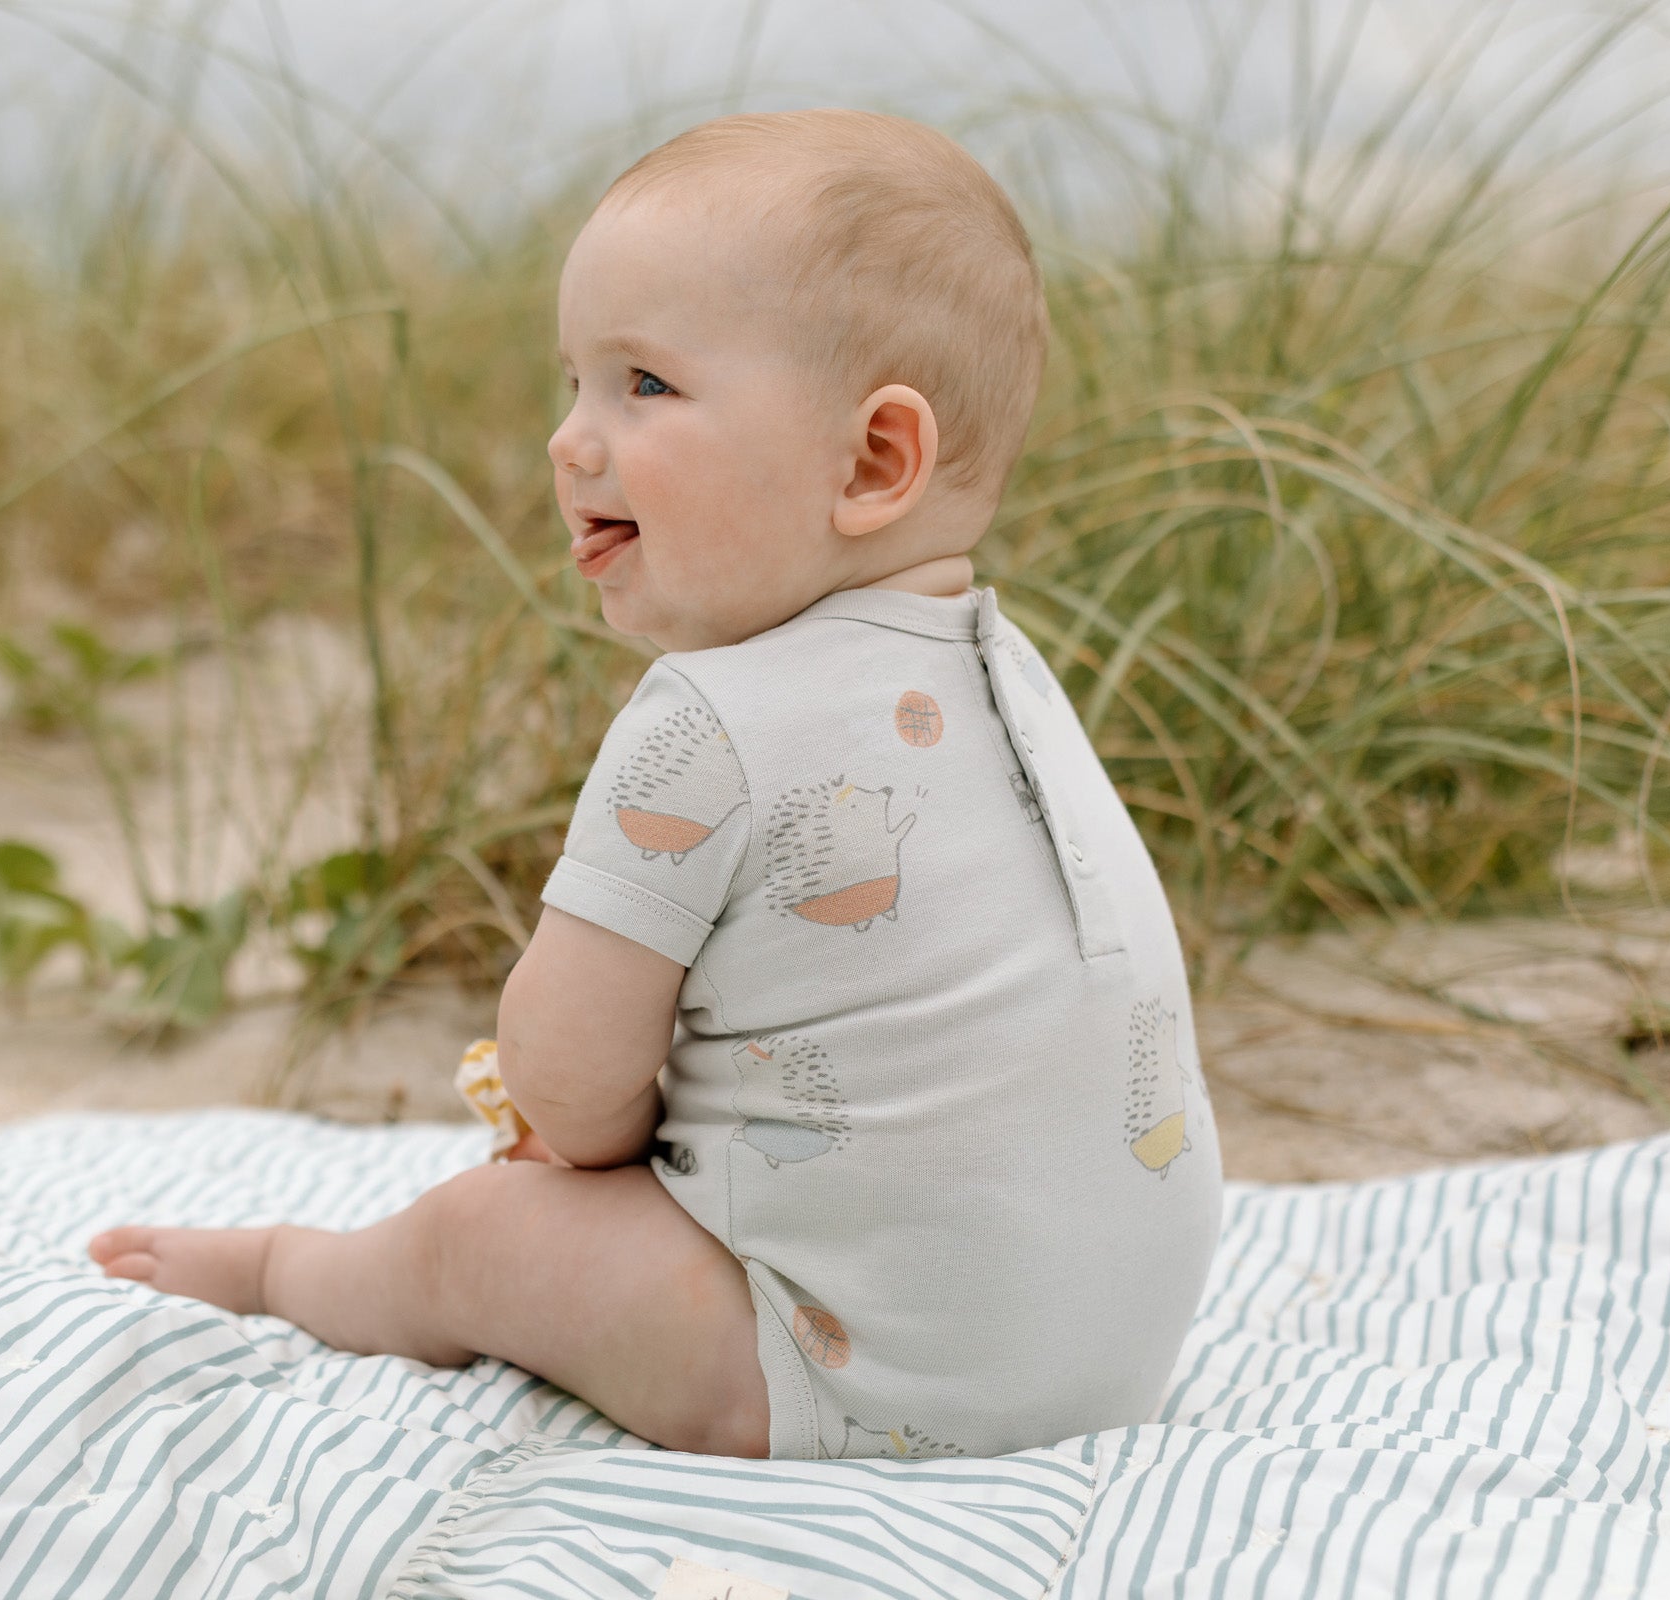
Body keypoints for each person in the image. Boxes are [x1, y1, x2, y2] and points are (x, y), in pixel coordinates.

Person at [87, 108, 1222, 1462]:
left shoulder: (708, 716)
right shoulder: (1012, 680)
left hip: (859, 1376)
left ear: (872, 462)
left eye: (644, 386)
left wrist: (583, 1147)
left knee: (484, 1233)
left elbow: (563, 1091)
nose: (572, 442)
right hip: (1105, 1358)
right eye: (572, 383)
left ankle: (288, 1273)